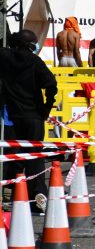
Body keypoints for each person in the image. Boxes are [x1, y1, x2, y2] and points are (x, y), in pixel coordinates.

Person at [0, 30, 57, 213]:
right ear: (29, 45)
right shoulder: (35, 62)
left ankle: (16, 190)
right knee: (35, 156)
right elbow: (51, 84)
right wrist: (47, 106)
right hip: (33, 116)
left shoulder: (5, 58)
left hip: (13, 116)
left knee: (16, 155)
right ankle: (38, 193)